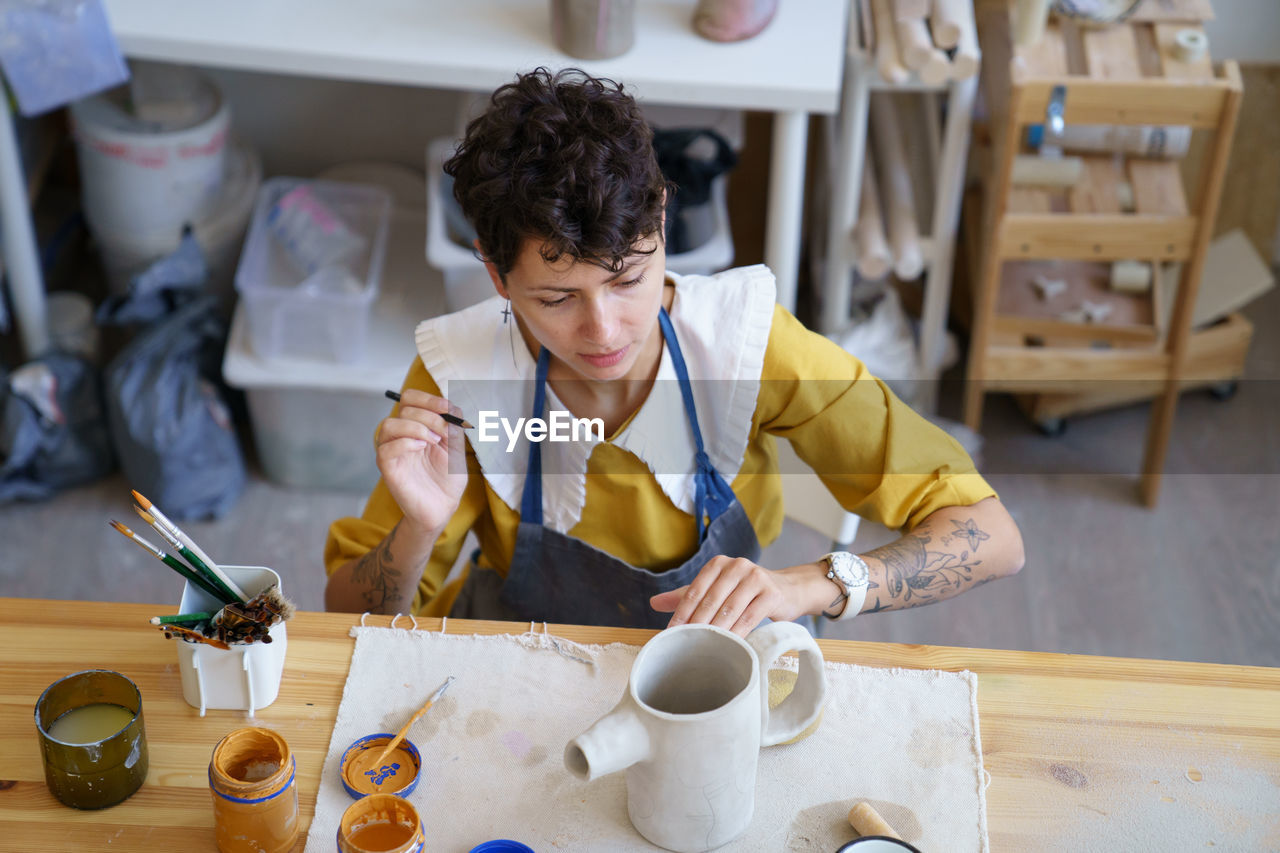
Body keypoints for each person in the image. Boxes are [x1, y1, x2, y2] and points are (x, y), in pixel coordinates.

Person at [324, 68, 1024, 636]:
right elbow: (349, 620)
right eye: (556, 299)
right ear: (496, 274)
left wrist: (813, 583)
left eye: (628, 280)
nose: (604, 333)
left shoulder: (746, 346)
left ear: (661, 218)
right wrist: (417, 528)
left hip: (720, 651)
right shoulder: (465, 377)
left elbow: (992, 535)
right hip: (522, 656)